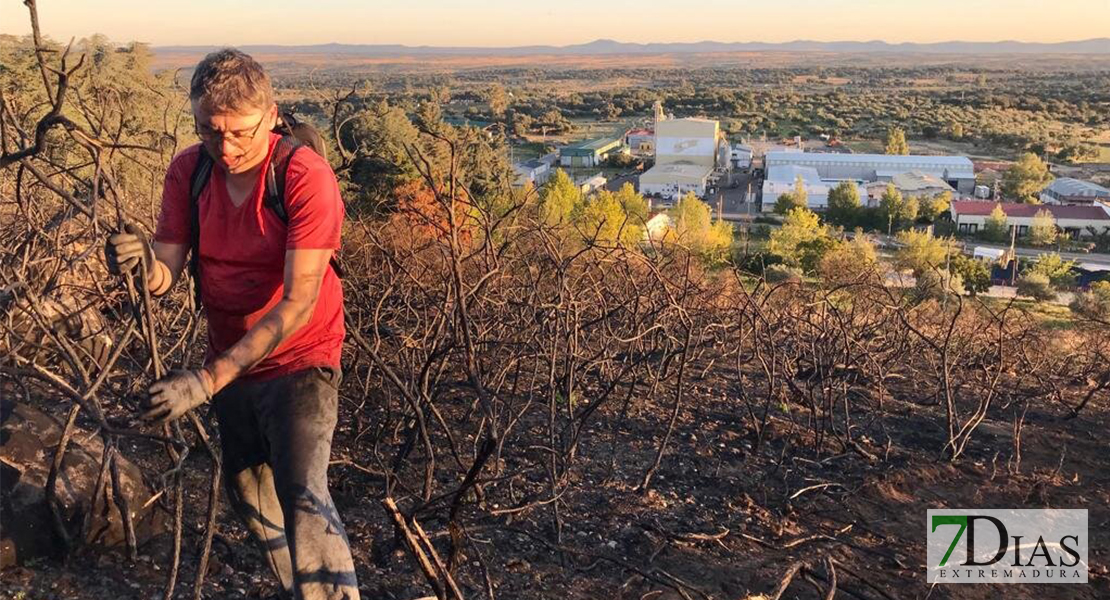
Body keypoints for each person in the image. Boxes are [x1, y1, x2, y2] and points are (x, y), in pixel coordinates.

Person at [104, 49, 357, 600]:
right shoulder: (190, 171)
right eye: (210, 131)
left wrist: (204, 381)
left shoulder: (302, 176)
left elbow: (297, 303)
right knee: (250, 493)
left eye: (241, 132)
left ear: (269, 115)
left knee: (303, 496)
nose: (227, 148)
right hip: (231, 356)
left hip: (301, 356)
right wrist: (140, 261)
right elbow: (165, 272)